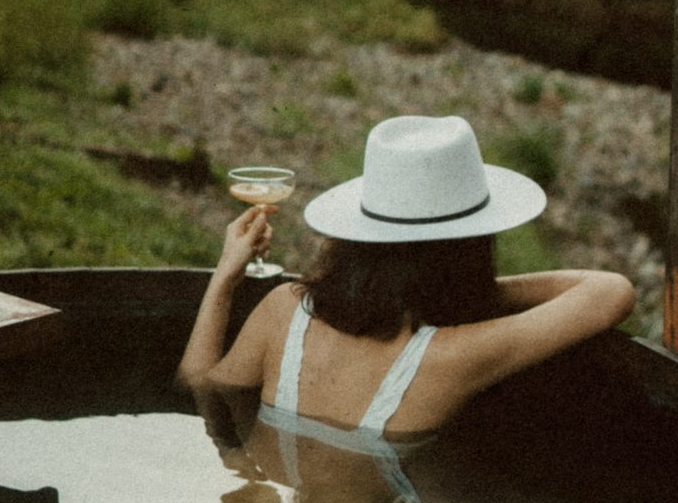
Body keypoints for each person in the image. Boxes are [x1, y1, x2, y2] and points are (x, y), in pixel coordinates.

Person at [178, 115, 635, 452]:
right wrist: (473, 292)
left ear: (359, 235)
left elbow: (201, 387)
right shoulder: (453, 355)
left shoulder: (285, 309)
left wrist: (225, 274)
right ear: (470, 246)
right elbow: (611, 291)